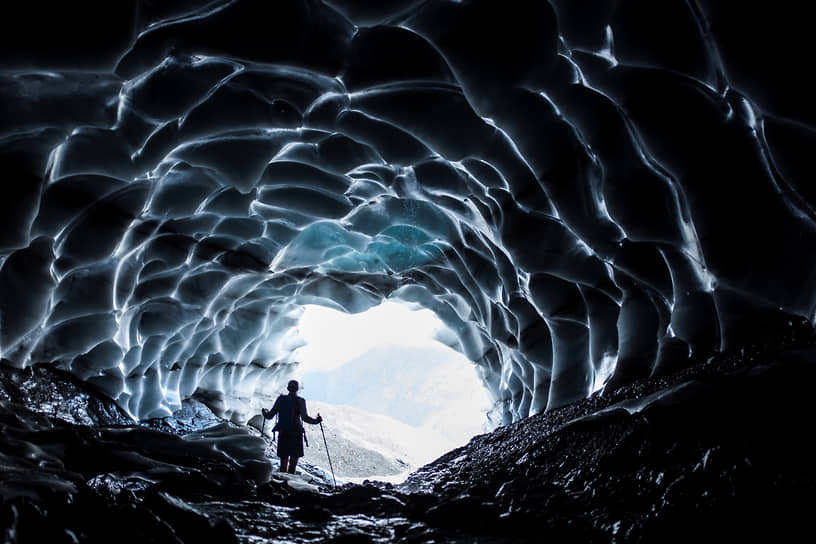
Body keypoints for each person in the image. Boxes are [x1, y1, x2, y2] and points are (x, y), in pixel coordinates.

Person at [262, 379, 322, 474]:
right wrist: (317, 421)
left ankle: (283, 482)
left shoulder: (281, 399)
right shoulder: (300, 401)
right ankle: (290, 482)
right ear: (297, 389)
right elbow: (305, 418)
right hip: (296, 434)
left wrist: (265, 413)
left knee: (283, 462)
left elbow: (270, 416)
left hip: (283, 434)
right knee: (293, 463)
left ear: (288, 388)